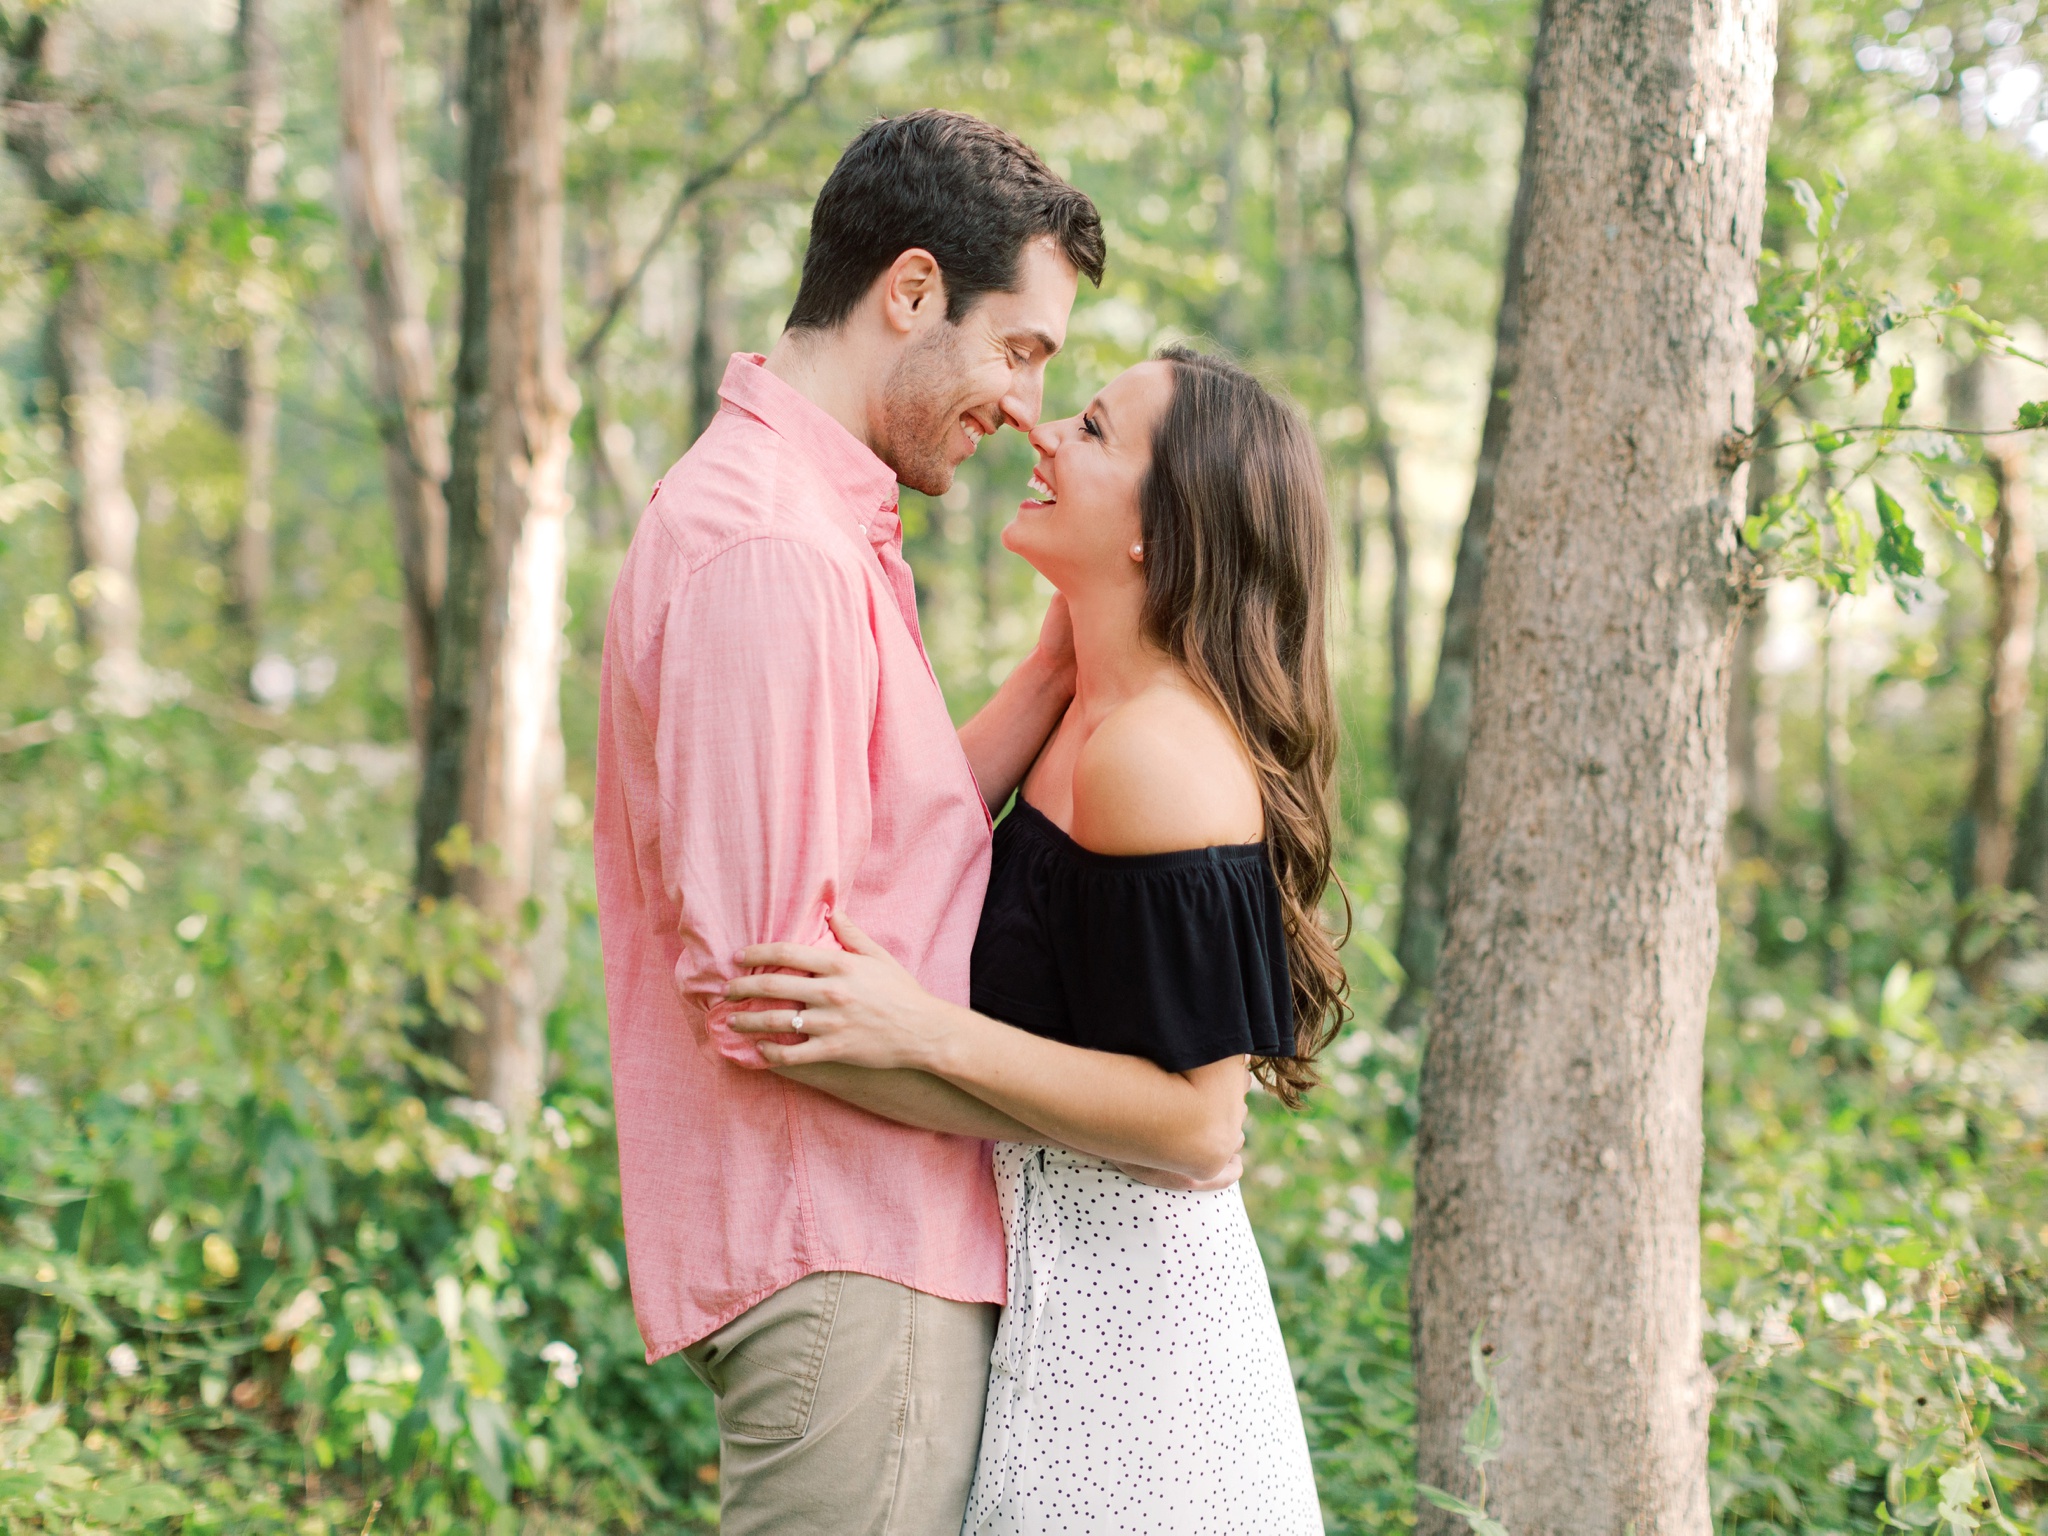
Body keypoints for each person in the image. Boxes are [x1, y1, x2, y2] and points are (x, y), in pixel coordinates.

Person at [592, 111, 1115, 1535]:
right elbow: (780, 991)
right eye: (1021, 347)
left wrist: (1065, 659)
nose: (1022, 403)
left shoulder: (817, 528)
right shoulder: (768, 549)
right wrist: (1088, 1122)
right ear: (910, 290)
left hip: (878, 1243)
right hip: (846, 1249)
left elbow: (888, 847)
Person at [727, 347, 1344, 1533]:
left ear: (1158, 539)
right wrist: (1052, 663)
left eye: (1096, 429)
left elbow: (1199, 1120)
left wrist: (923, 1034)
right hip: (1064, 1315)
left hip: (1143, 1369)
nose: (1039, 429)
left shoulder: (1157, 758)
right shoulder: (1091, 715)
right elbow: (908, 854)